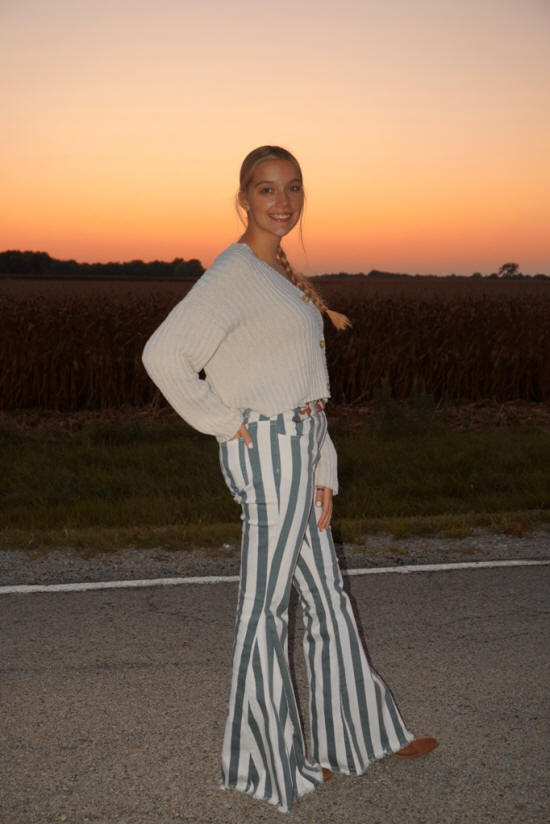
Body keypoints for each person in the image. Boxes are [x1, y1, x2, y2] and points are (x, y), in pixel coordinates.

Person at [141, 145, 438, 813]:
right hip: (267, 449)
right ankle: (264, 762)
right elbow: (163, 354)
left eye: (293, 187)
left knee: (328, 600)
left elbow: (305, 381)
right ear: (243, 197)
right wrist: (224, 423)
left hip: (300, 447)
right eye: (267, 188)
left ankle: (361, 737)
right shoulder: (233, 273)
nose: (283, 201)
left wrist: (322, 465)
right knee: (266, 608)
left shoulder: (277, 272)